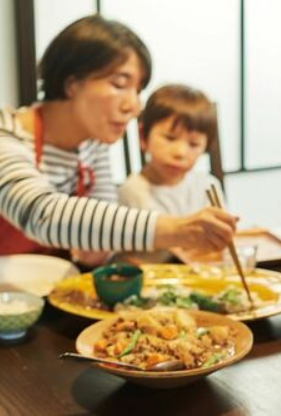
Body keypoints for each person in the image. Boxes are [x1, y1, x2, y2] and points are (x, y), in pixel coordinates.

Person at [0, 15, 236, 266]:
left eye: (138, 90)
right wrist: (177, 229)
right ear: (72, 83)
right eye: (119, 84)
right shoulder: (7, 137)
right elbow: (41, 215)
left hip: (55, 288)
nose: (133, 107)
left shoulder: (93, 142)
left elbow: (100, 229)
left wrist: (100, 249)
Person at [118, 84, 224, 262]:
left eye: (194, 144)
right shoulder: (131, 191)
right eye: (170, 138)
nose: (180, 152)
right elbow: (124, 255)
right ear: (143, 137)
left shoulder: (208, 186)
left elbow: (220, 244)